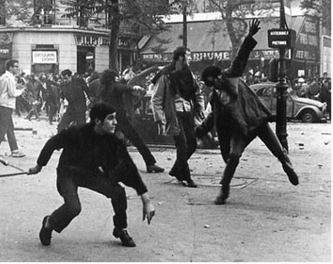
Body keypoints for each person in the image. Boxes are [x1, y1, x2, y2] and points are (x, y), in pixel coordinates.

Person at [196, 19, 299, 205]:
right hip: (242, 127)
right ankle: (224, 190)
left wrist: (249, 37)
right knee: (234, 157)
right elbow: (213, 117)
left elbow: (240, 58)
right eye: (213, 83)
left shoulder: (231, 75)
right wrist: (201, 131)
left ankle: (286, 164)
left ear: (220, 74)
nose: (217, 83)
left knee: (278, 151)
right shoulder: (216, 96)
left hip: (256, 119)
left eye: (217, 79)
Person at [28, 102, 155, 247]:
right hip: (68, 172)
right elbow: (52, 143)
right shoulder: (76, 132)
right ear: (97, 121)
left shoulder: (113, 141)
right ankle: (49, 222)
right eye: (110, 118)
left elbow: (129, 168)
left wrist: (146, 200)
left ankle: (120, 228)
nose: (116, 122)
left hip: (90, 173)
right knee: (73, 208)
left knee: (118, 192)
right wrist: (39, 165)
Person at [151, 46, 205, 187]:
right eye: (189, 55)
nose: (191, 59)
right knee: (182, 144)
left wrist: (200, 109)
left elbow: (197, 92)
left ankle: (176, 169)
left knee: (192, 144)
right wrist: (160, 118)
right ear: (181, 57)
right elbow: (156, 98)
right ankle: (187, 177)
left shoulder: (189, 74)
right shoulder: (165, 75)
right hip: (174, 113)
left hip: (187, 111)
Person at [99, 69, 165, 173]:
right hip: (121, 119)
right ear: (112, 78)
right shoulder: (115, 86)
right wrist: (134, 87)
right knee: (137, 140)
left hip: (109, 119)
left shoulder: (104, 89)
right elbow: (124, 88)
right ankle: (150, 163)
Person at [0, 59, 25, 157]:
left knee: (9, 128)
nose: (17, 68)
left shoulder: (4, 77)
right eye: (16, 67)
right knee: (3, 128)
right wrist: (21, 91)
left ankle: (14, 150)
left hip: (2, 105)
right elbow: (12, 93)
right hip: (6, 105)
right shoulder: (10, 78)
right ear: (10, 67)